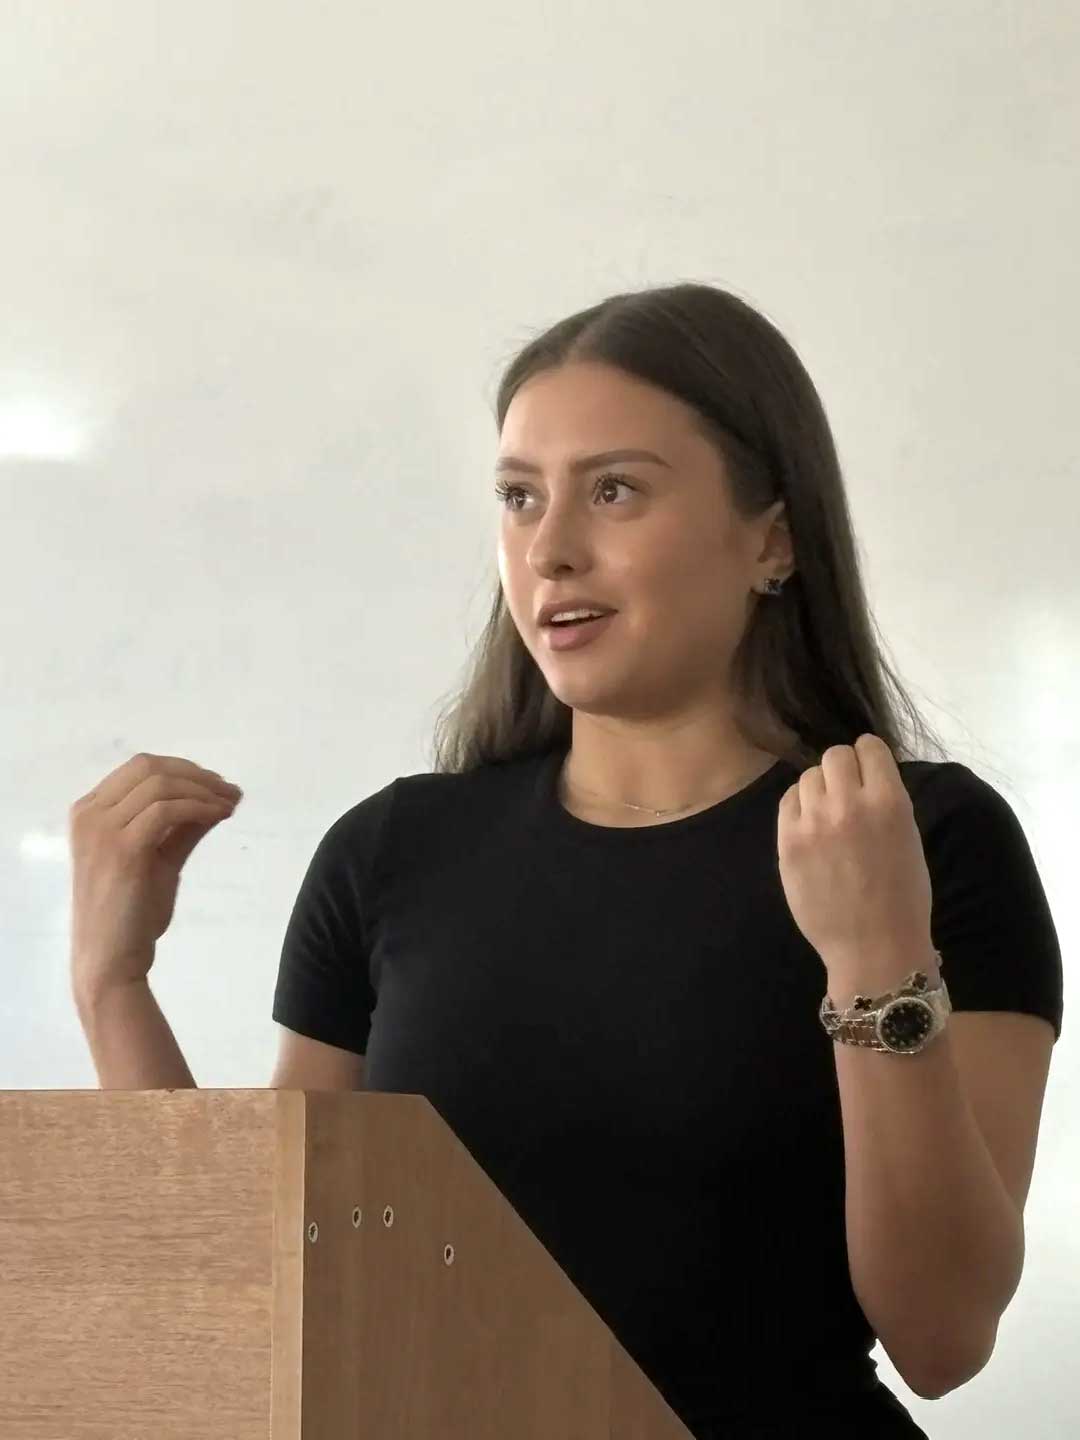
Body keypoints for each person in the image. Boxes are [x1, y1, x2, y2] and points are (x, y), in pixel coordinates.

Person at [70, 283, 1064, 1438]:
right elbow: (270, 1315)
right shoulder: (391, 854)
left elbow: (942, 1339)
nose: (550, 550)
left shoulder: (920, 840)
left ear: (773, 537)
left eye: (614, 490)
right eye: (519, 497)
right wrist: (112, 985)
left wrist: (875, 960)